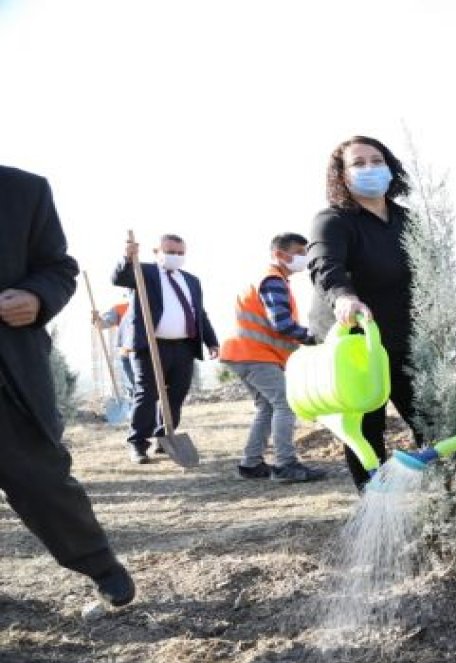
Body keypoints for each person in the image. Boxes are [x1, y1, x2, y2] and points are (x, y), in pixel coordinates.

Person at [0, 165, 134, 607]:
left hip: (8, 365)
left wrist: (36, 297)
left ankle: (99, 564)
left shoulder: (23, 190)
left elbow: (57, 268)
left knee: (39, 475)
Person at [309, 135, 425, 492]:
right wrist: (344, 297)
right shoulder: (333, 220)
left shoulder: (406, 220)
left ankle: (445, 498)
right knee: (366, 427)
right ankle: (374, 502)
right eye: (358, 163)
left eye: (377, 160)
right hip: (355, 339)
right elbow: (325, 264)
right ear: (341, 175)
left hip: (403, 335)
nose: (370, 168)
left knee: (430, 419)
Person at [220, 232, 326, 484]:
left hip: (244, 354)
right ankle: (285, 465)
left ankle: (251, 463)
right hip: (254, 355)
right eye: (299, 252)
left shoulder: (269, 279)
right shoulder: (273, 280)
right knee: (285, 403)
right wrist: (315, 338)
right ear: (279, 254)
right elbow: (282, 323)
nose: (304, 257)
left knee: (266, 407)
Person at [112, 233, 220, 464]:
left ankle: (164, 436)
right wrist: (127, 257)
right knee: (147, 392)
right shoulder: (145, 272)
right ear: (156, 252)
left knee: (177, 392)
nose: (175, 257)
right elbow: (119, 278)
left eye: (180, 253)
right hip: (150, 344)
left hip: (183, 345)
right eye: (170, 252)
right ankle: (138, 444)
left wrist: (211, 341)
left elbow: (198, 313)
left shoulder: (191, 280)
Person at [92, 290, 137, 399]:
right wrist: (96, 319)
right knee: (134, 387)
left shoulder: (152, 306)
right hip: (127, 354)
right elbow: (102, 324)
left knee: (146, 387)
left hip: (147, 354)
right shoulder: (120, 308)